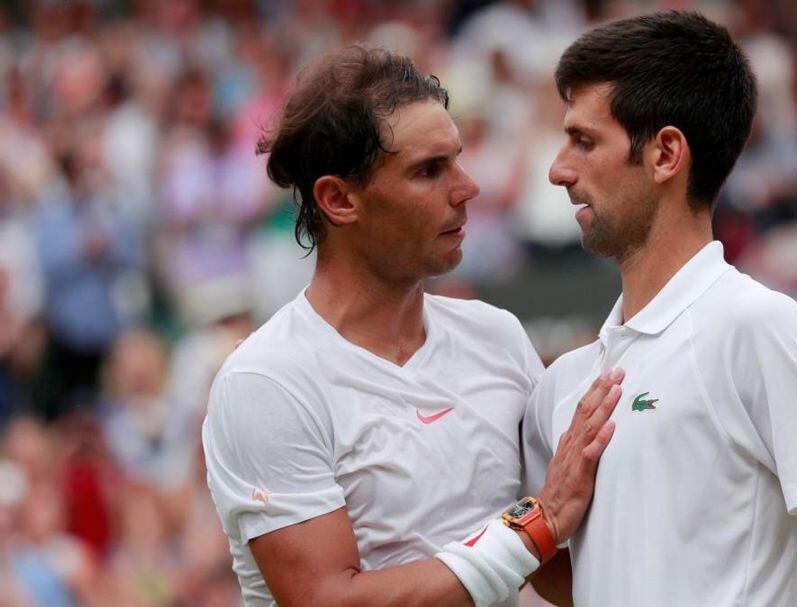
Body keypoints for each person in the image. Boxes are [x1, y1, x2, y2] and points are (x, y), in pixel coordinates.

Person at [521, 11, 797, 606]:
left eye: (584, 141)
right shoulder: (561, 387)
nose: (559, 169)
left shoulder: (757, 329)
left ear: (666, 154)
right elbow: (581, 577)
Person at [201, 45, 621, 607]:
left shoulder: (496, 336)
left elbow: (552, 572)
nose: (467, 188)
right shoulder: (266, 380)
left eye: (457, 159)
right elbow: (327, 600)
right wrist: (536, 526)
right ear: (339, 199)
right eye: (429, 171)